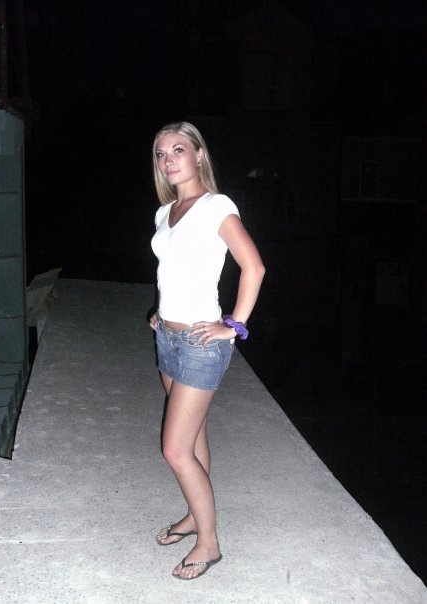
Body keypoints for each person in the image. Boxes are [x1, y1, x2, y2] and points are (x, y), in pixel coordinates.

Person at [149, 121, 265, 580]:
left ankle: (210, 542)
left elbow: (254, 267)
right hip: (168, 337)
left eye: (178, 149)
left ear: (199, 155)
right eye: (161, 153)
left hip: (201, 344)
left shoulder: (217, 206)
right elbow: (174, 271)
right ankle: (195, 516)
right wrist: (161, 314)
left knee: (174, 449)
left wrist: (233, 325)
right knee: (194, 437)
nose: (168, 160)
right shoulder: (165, 212)